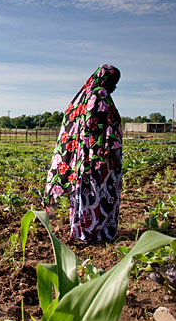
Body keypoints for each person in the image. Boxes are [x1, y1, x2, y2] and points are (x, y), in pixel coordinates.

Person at [43, 64, 122, 243]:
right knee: (100, 193)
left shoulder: (81, 97)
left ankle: (82, 228)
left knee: (84, 192)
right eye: (113, 81)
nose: (114, 86)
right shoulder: (101, 97)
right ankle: (97, 232)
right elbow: (101, 131)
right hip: (100, 160)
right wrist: (109, 156)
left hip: (81, 160)